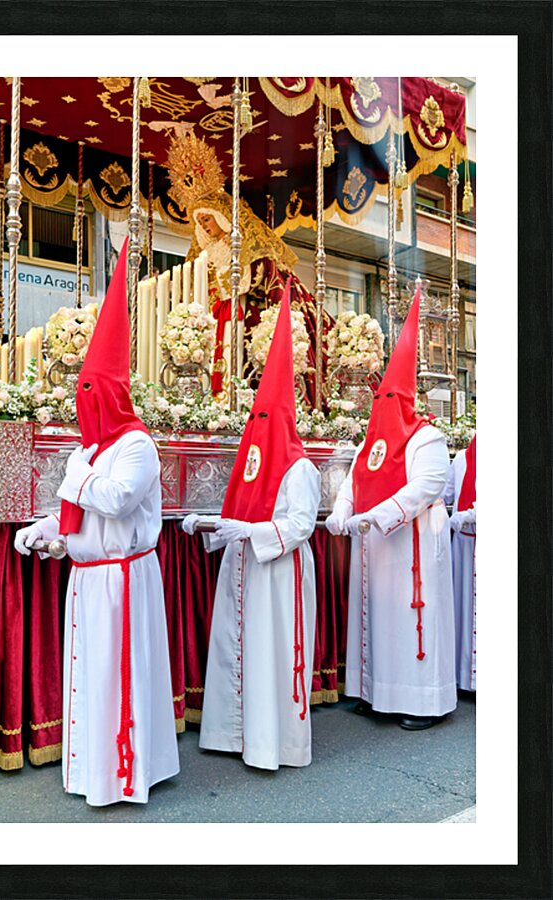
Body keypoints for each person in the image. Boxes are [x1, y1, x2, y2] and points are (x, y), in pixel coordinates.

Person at [15, 239, 179, 805]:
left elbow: (114, 501)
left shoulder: (137, 445)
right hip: (90, 578)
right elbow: (79, 512)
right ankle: (93, 772)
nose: (83, 403)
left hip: (124, 582)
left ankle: (128, 772)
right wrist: (47, 532)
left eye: (91, 392)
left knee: (120, 680)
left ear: (109, 394)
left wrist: (71, 475)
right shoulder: (88, 450)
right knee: (92, 679)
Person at [183, 281, 321, 769]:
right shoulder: (252, 458)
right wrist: (211, 527)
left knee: (272, 652)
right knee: (236, 646)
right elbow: (239, 511)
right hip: (244, 568)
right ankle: (233, 733)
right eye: (254, 416)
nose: (259, 422)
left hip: (278, 573)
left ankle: (274, 742)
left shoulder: (299, 466)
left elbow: (302, 523)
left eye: (267, 415)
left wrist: (251, 534)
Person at [326, 287, 457, 730]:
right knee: (376, 622)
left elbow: (427, 485)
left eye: (388, 400)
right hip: (375, 548)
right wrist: (341, 511)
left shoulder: (427, 437)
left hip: (412, 543)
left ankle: (423, 703)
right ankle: (376, 693)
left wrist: (378, 516)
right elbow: (354, 479)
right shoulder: (371, 439)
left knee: (409, 624)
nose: (380, 407)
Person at [166, 132, 326, 401]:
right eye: (201, 222)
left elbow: (264, 277)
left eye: (208, 219)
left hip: (246, 315)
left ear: (223, 216)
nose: (205, 226)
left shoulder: (248, 246)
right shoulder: (206, 256)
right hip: (218, 320)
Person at [444, 434, 476, 692]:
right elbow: (447, 493)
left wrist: (472, 513)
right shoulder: (463, 457)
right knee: (462, 607)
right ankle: (463, 677)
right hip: (464, 543)